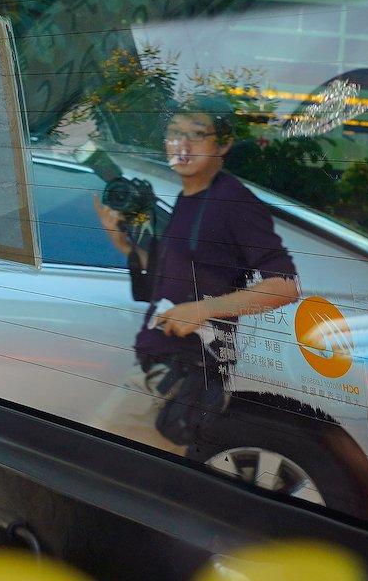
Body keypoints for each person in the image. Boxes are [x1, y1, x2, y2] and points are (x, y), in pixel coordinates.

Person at [91, 93, 300, 454]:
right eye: (173, 132)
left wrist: (203, 309)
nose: (181, 144)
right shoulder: (188, 198)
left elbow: (284, 286)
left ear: (224, 144)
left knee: (96, 464)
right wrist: (126, 246)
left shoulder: (233, 202)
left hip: (180, 377)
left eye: (196, 134)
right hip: (162, 371)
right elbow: (170, 283)